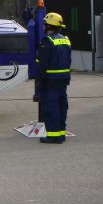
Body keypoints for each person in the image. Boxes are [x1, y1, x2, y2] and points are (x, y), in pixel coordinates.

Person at [36, 12, 72, 144]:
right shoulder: (66, 39)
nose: (44, 26)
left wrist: (40, 81)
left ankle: (53, 136)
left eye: (45, 24)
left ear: (49, 25)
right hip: (63, 79)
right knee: (62, 106)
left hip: (51, 80)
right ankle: (61, 134)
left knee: (51, 108)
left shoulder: (47, 41)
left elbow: (42, 64)